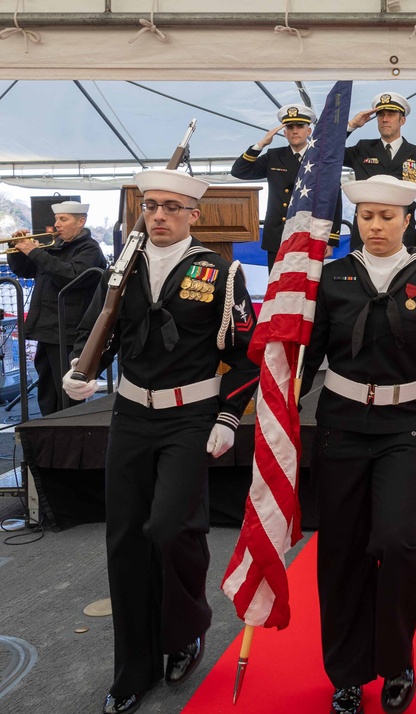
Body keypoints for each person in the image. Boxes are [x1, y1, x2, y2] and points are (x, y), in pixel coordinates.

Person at [63, 169, 259, 714]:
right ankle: (133, 668)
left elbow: (249, 351)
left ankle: (184, 629)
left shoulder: (222, 272)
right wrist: (81, 371)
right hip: (130, 414)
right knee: (125, 539)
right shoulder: (120, 268)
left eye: (173, 206)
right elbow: (96, 332)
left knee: (171, 526)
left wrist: (227, 416)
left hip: (190, 417)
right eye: (151, 205)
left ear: (195, 214)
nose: (160, 215)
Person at [299, 175, 416, 714]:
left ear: (406, 222)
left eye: (386, 218)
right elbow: (307, 358)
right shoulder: (331, 280)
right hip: (342, 426)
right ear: (357, 221)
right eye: (367, 217)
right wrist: (271, 412)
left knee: (397, 542)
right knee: (342, 550)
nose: (375, 226)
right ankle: (348, 671)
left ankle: (397, 661)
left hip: (408, 428)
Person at [8, 200, 107, 415]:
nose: (57, 224)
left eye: (63, 219)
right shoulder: (55, 246)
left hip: (68, 329)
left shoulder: (89, 249)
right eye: (56, 219)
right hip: (48, 327)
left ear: (81, 222)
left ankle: (67, 433)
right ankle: (48, 429)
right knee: (47, 388)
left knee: (67, 390)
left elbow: (71, 276)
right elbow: (25, 271)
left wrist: (34, 251)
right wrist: (16, 250)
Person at [231, 103, 326, 271]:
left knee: (309, 289)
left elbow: (332, 196)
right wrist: (261, 144)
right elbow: (239, 171)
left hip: (309, 232)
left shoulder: (319, 157)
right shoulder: (274, 156)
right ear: (284, 132)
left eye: (300, 126)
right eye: (290, 127)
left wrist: (331, 239)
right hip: (278, 234)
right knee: (276, 287)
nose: (295, 131)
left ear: (309, 131)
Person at [343, 91, 416, 254]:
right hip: (366, 233)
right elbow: (325, 152)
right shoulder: (362, 149)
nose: (385, 119)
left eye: (391, 114)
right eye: (381, 115)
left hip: (403, 234)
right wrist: (351, 126)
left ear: (402, 120)